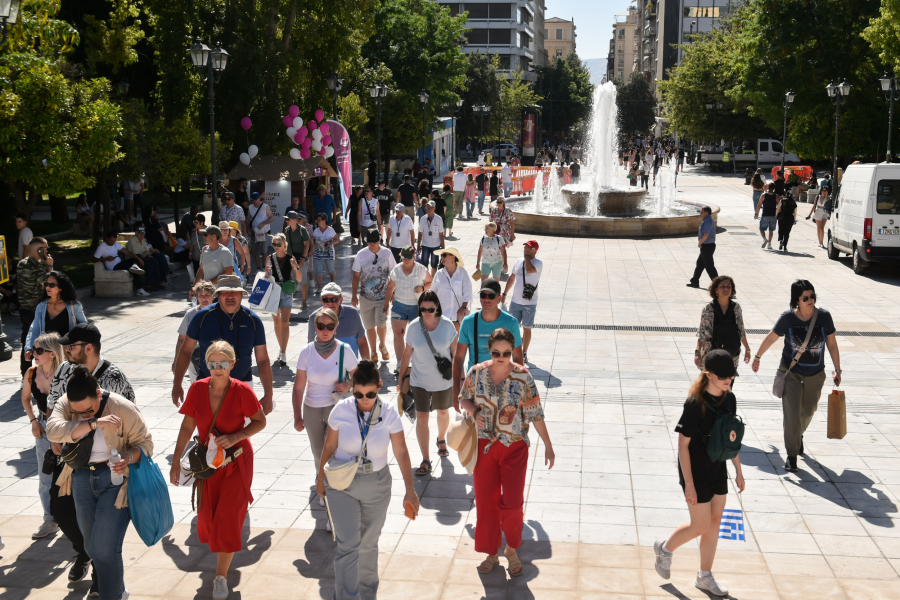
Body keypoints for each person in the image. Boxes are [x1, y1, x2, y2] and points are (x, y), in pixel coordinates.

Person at [46, 365, 153, 600]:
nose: (84, 414)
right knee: (92, 547)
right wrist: (94, 423)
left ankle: (112, 595)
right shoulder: (67, 402)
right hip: (82, 477)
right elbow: (52, 430)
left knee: (105, 548)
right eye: (79, 412)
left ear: (98, 392)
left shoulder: (121, 407)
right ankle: (118, 590)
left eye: (89, 410)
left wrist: (127, 457)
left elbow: (146, 444)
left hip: (115, 480)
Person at [170, 341, 267, 600]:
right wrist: (175, 460)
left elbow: (260, 422)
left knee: (227, 517)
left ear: (232, 365)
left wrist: (237, 436)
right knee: (207, 517)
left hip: (236, 461)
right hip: (209, 463)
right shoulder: (197, 389)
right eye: (212, 364)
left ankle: (220, 577)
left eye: (223, 363)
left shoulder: (242, 390)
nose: (217, 368)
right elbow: (187, 426)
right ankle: (221, 567)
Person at [316, 361, 419, 600]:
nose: (364, 399)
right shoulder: (340, 410)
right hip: (343, 485)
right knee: (348, 546)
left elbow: (401, 451)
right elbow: (330, 445)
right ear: (352, 388)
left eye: (371, 394)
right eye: (359, 394)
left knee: (369, 545)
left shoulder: (390, 413)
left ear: (380, 386)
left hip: (377, 484)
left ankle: (367, 596)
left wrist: (410, 490)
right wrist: (320, 477)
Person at [459, 328, 554, 578]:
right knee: (486, 503)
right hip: (484, 447)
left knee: (512, 503)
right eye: (496, 352)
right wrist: (475, 413)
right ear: (489, 350)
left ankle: (511, 549)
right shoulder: (476, 372)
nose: (501, 357)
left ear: (514, 351)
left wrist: (548, 444)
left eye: (507, 353)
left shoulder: (524, 377)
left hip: (514, 447)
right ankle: (492, 553)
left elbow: (535, 414)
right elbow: (463, 399)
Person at [653, 350, 745, 597]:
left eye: (731, 376)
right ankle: (665, 548)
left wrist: (738, 469)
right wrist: (689, 485)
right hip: (695, 470)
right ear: (708, 374)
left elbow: (730, 438)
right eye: (723, 376)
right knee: (700, 525)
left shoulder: (730, 399)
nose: (728, 380)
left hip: (718, 467)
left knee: (715, 523)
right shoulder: (695, 404)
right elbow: (683, 446)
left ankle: (705, 576)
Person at [751, 280, 841, 472]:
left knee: (808, 412)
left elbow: (832, 344)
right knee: (791, 415)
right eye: (805, 298)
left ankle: (797, 435)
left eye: (812, 296)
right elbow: (772, 337)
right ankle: (791, 456)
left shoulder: (824, 317)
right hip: (791, 373)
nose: (811, 300)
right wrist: (758, 356)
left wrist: (837, 369)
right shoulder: (788, 319)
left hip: (815, 375)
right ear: (796, 300)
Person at [172, 275, 274, 414]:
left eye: (235, 292)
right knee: (204, 433)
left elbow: (262, 359)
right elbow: (185, 351)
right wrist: (177, 384)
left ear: (241, 295)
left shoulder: (253, 320)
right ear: (218, 295)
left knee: (242, 433)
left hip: (243, 385)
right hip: (207, 385)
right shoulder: (201, 317)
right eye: (225, 292)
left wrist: (268, 394)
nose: (230, 296)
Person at [293, 308, 358, 524]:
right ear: (315, 327)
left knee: (334, 453)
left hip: (336, 408)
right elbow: (299, 387)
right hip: (312, 408)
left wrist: (348, 384)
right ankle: (322, 481)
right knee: (318, 451)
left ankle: (331, 493)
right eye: (321, 326)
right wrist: (296, 415)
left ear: (336, 328)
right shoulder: (307, 352)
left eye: (330, 326)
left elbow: (360, 378)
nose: (325, 330)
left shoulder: (344, 350)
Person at [397, 291, 458, 476]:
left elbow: (456, 354)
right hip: (419, 380)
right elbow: (407, 354)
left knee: (443, 412)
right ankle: (425, 460)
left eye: (430, 309)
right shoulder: (414, 327)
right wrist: (400, 378)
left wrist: (461, 379)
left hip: (443, 381)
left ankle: (441, 440)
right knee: (422, 418)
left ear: (437, 307)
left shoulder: (447, 326)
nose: (426, 312)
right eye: (422, 309)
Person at [22, 332, 64, 540]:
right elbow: (25, 398)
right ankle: (49, 519)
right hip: (43, 426)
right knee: (45, 473)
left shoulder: (66, 373)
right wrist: (33, 421)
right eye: (33, 350)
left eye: (39, 351)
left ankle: (72, 518)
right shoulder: (31, 373)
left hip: (66, 427)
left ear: (52, 354)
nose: (33, 354)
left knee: (70, 473)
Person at [453, 278, 524, 401]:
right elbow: (459, 357)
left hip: (503, 385)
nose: (486, 299)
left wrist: (519, 389)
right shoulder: (469, 322)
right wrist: (455, 391)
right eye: (483, 295)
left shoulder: (511, 323)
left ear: (499, 299)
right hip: (475, 386)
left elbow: (518, 357)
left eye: (491, 296)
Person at [48, 322, 136, 408]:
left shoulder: (114, 379)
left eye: (71, 346)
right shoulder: (64, 368)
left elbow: (124, 418)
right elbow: (51, 405)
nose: (67, 349)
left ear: (88, 348)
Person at [351, 230, 396, 363]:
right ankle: (373, 351)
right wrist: (353, 296)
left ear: (379, 241)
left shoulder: (387, 253)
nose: (372, 244)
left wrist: (393, 291)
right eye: (369, 242)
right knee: (369, 326)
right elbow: (356, 276)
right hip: (365, 297)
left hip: (383, 296)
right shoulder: (361, 254)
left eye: (374, 242)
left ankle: (382, 345)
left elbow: (394, 274)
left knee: (381, 322)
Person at [24, 270, 87, 360]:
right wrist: (29, 348)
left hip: (67, 353)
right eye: (46, 284)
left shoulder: (74, 306)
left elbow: (84, 327)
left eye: (52, 285)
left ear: (61, 287)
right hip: (46, 354)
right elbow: (35, 329)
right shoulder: (41, 307)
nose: (48, 287)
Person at [385, 246, 429, 372]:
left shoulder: (421, 269)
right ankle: (400, 363)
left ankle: (417, 363)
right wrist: (386, 304)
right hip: (399, 305)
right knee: (398, 334)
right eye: (404, 257)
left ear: (414, 256)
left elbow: (431, 282)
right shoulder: (397, 269)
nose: (406, 260)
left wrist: (422, 288)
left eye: (409, 257)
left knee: (417, 335)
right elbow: (390, 286)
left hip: (416, 306)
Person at [694, 276, 751, 374]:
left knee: (727, 387)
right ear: (715, 289)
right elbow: (702, 333)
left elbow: (741, 330)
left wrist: (747, 350)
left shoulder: (736, 307)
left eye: (729, 286)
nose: (726, 289)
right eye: (722, 286)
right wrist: (697, 353)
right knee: (711, 387)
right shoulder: (708, 308)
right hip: (711, 355)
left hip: (731, 356)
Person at [18, 236, 56, 374]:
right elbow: (50, 286)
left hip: (24, 308)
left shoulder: (21, 263)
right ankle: (45, 373)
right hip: (37, 310)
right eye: (45, 249)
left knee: (26, 341)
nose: (47, 252)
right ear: (39, 250)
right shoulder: (37, 267)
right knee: (44, 343)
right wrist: (50, 265)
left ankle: (26, 373)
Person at [265, 232, 303, 366]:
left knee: (285, 322)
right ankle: (281, 349)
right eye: (274, 244)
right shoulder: (270, 258)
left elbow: (299, 279)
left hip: (286, 290)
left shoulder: (290, 258)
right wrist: (267, 272)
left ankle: (283, 352)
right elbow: (266, 278)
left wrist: (295, 266)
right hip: (274, 291)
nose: (276, 246)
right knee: (276, 322)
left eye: (278, 244)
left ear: (284, 245)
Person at [502, 240, 542, 363]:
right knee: (510, 327)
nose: (525, 249)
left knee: (527, 328)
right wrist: (504, 293)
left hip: (529, 303)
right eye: (525, 247)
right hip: (515, 301)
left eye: (528, 248)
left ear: (534, 250)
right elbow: (512, 278)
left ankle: (524, 352)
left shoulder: (538, 263)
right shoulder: (519, 261)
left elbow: (529, 270)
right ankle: (516, 347)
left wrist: (527, 258)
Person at [307, 282, 370, 359]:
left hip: (350, 368)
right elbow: (310, 347)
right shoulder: (313, 318)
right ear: (321, 300)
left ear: (341, 300)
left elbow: (362, 342)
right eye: (326, 299)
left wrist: (367, 364)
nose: (330, 303)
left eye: (334, 299)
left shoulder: (353, 313)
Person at [173, 281, 215, 384]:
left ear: (213, 296)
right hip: (193, 357)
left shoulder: (219, 312)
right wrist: (177, 361)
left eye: (207, 295)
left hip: (215, 358)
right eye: (201, 295)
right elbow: (181, 339)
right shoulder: (190, 314)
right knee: (197, 387)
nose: (204, 298)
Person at [429, 248, 472, 332]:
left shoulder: (463, 273)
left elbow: (468, 293)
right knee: (441, 343)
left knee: (456, 344)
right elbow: (432, 293)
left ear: (453, 257)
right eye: (441, 255)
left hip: (457, 317)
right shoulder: (439, 274)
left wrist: (463, 306)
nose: (442, 258)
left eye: (444, 255)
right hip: (441, 317)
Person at [125, 226, 171, 290]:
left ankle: (156, 283)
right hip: (135, 260)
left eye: (143, 234)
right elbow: (137, 255)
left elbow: (147, 251)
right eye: (140, 233)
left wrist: (146, 254)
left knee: (155, 261)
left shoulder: (143, 239)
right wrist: (146, 254)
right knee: (152, 262)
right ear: (136, 233)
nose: (142, 235)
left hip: (144, 258)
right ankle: (150, 285)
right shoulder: (132, 242)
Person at [283, 211, 311, 308]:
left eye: (288, 219)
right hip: (290, 258)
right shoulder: (287, 230)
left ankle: (304, 302)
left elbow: (307, 244)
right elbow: (285, 244)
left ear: (295, 220)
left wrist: (303, 258)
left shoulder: (302, 230)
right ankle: (288, 303)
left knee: (302, 281)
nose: (286, 221)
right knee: (290, 281)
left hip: (300, 258)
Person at [687, 206, 718, 288]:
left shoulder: (707, 221)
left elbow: (706, 234)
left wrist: (700, 243)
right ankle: (694, 281)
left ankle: (719, 285)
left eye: (702, 212)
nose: (700, 213)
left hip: (707, 246)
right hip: (707, 246)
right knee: (700, 264)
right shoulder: (708, 219)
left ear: (706, 213)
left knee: (710, 267)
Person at [416, 201, 445, 276]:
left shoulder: (439, 219)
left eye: (430, 208)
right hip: (425, 245)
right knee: (424, 265)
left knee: (434, 265)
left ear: (434, 208)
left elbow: (441, 234)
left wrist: (443, 248)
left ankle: (433, 281)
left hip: (436, 246)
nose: (428, 209)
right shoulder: (423, 219)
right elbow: (420, 233)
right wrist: (418, 245)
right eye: (427, 208)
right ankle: (427, 279)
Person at [312, 212, 339, 292]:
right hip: (318, 253)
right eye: (317, 220)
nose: (318, 222)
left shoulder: (330, 230)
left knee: (331, 270)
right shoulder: (316, 230)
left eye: (320, 220)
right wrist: (312, 242)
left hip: (329, 253)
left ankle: (333, 283)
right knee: (318, 271)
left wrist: (330, 242)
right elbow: (312, 240)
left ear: (324, 220)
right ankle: (320, 287)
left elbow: (336, 240)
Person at [247, 192, 275, 271]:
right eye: (253, 200)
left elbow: (272, 217)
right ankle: (258, 268)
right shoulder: (250, 207)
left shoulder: (265, 206)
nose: (254, 201)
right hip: (254, 232)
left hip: (264, 231)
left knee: (264, 250)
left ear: (259, 199)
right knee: (255, 251)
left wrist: (263, 223)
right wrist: (248, 230)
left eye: (256, 200)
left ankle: (264, 267)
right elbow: (248, 219)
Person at [754, 183, 778, 249]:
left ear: (768, 188)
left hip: (765, 215)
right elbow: (779, 206)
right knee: (771, 230)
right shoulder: (776, 196)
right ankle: (769, 244)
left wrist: (756, 213)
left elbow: (759, 205)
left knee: (761, 229)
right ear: (774, 188)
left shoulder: (763, 195)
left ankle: (764, 239)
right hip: (773, 215)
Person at [776, 188, 798, 252]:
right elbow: (795, 212)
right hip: (790, 218)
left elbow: (778, 209)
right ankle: (785, 246)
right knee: (787, 232)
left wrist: (776, 215)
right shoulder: (794, 203)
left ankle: (781, 242)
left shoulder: (782, 201)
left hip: (782, 217)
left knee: (781, 230)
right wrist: (794, 220)